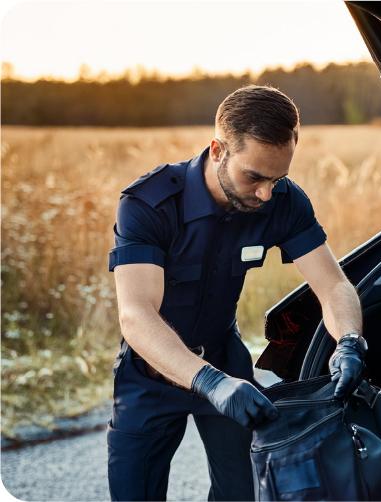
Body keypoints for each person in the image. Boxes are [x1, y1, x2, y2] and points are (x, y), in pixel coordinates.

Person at [106, 84, 367, 501]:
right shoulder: (149, 203)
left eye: (277, 178)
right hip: (152, 372)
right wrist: (208, 382)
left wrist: (349, 341)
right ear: (217, 150)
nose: (266, 194)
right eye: (255, 177)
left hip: (226, 361)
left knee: (243, 493)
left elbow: (333, 284)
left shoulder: (283, 200)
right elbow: (136, 314)